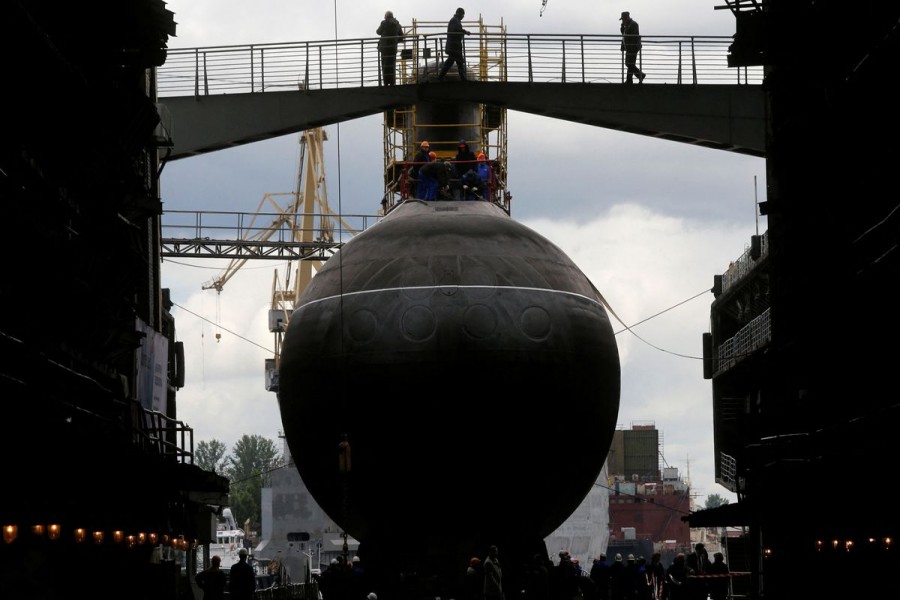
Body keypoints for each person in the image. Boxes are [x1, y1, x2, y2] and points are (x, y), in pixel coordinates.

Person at [438, 7, 471, 81]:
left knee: (453, 61)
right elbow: (456, 30)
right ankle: (462, 78)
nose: (463, 16)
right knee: (456, 61)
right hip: (454, 46)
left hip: (454, 46)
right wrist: (464, 32)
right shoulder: (454, 21)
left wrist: (463, 32)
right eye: (463, 15)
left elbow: (456, 30)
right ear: (459, 13)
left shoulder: (455, 20)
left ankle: (441, 76)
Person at [376, 11, 404, 86]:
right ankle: (392, 82)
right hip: (393, 49)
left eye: (384, 16)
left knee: (385, 66)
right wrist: (395, 41)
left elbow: (378, 32)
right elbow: (402, 37)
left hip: (384, 49)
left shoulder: (384, 23)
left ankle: (386, 83)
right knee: (392, 66)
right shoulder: (397, 24)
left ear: (386, 16)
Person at [619, 12, 645, 84]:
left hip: (633, 47)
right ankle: (632, 79)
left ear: (627, 18)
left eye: (623, 19)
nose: (622, 21)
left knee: (629, 64)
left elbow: (633, 36)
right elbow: (623, 34)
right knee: (629, 64)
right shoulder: (627, 25)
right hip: (629, 47)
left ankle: (638, 77)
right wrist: (623, 27)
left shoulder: (634, 24)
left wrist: (626, 27)